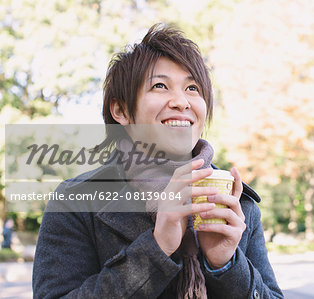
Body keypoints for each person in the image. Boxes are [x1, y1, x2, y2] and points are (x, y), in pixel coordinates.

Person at [32, 24, 283, 299]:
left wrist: (227, 264)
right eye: (160, 86)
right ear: (121, 110)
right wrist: (157, 248)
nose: (181, 101)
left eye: (192, 87)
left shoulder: (238, 204)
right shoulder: (75, 202)